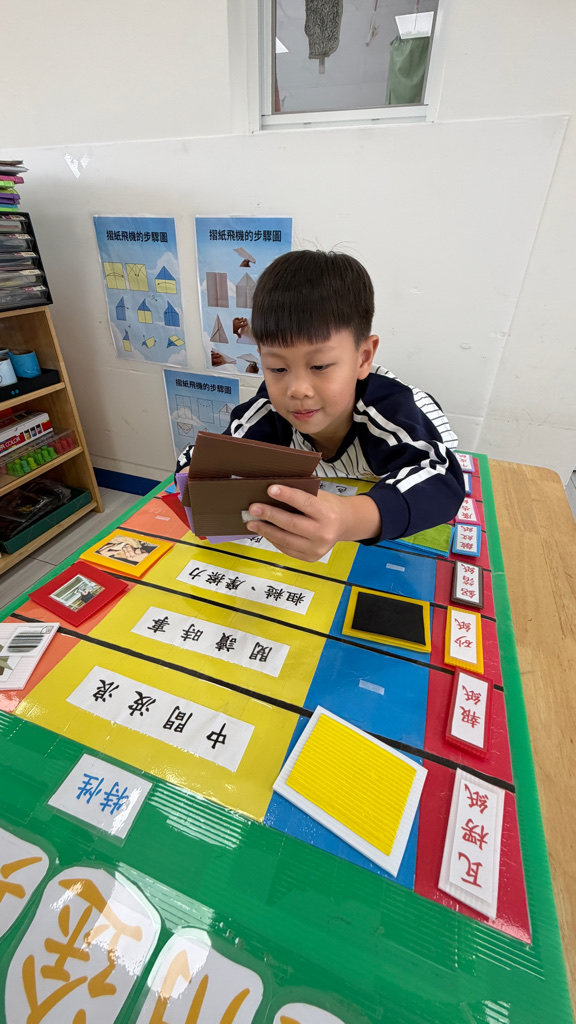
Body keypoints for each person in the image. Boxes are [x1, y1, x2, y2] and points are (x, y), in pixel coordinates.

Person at [176, 250, 465, 562]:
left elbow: (443, 480)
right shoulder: (269, 412)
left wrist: (347, 518)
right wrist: (196, 478)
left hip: (417, 443)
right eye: (277, 368)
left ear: (364, 357)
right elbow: (201, 457)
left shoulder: (390, 413)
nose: (297, 390)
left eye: (320, 366)